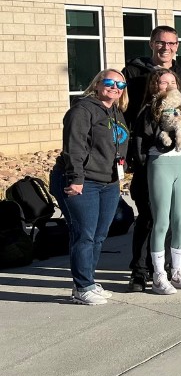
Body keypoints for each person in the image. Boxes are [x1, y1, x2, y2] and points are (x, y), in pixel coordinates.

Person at [122, 25, 181, 291]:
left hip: (176, 155)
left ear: (177, 46)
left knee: (175, 216)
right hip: (147, 157)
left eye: (172, 43)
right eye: (161, 43)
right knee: (149, 214)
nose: (167, 47)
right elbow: (125, 112)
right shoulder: (133, 72)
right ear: (152, 43)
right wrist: (130, 155)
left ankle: (167, 270)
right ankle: (140, 271)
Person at [51, 70, 130, 304]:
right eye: (109, 82)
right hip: (82, 181)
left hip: (109, 182)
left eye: (120, 84)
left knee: (98, 235)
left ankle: (88, 281)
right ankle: (82, 286)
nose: (114, 87)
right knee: (83, 234)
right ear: (97, 84)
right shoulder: (82, 110)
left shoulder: (115, 111)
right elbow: (73, 147)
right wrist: (76, 179)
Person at [130, 69, 181, 293]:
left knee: (180, 219)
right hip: (159, 163)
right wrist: (171, 123)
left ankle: (177, 271)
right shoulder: (149, 110)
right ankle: (159, 275)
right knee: (160, 220)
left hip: (180, 163)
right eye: (164, 82)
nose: (169, 86)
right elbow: (154, 142)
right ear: (155, 86)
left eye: (173, 82)